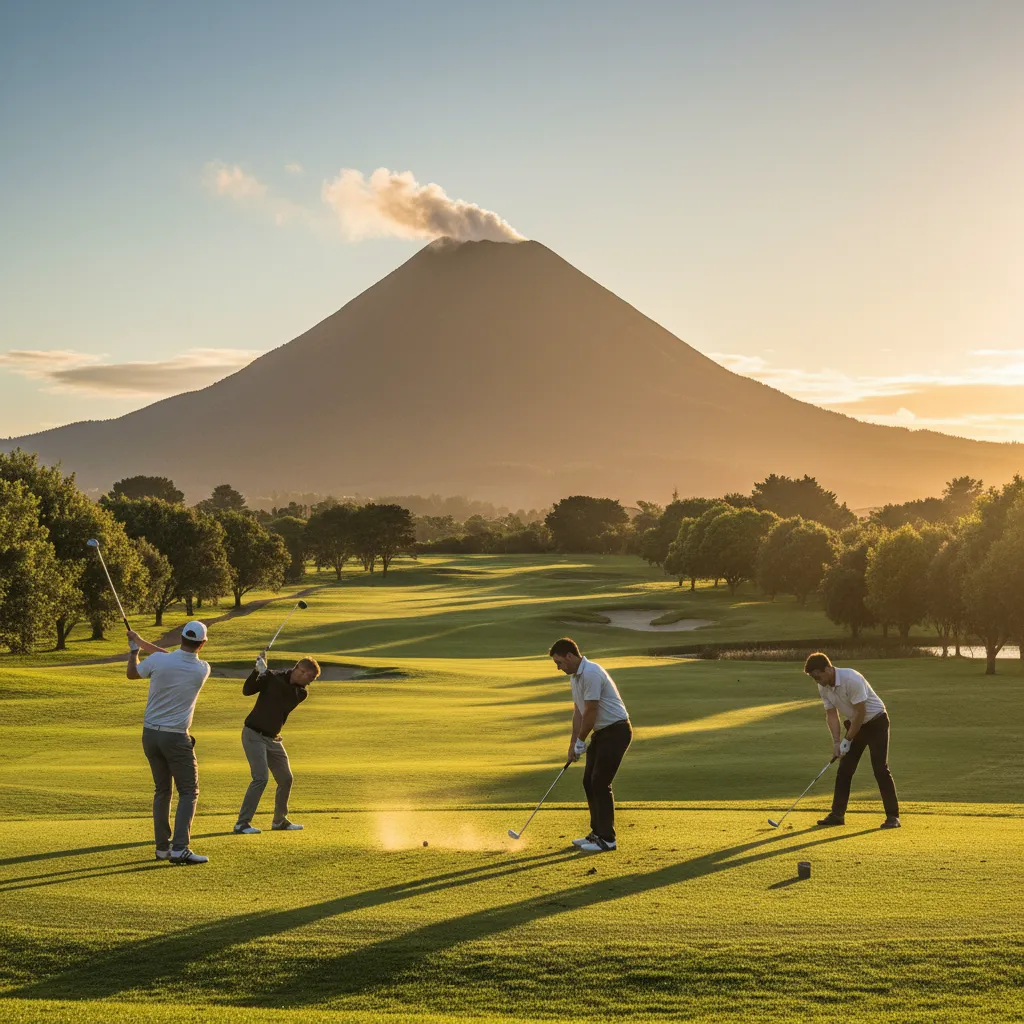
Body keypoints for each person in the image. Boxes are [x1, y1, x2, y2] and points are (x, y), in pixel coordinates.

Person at [127, 621, 212, 865]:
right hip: (175, 737)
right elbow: (177, 659)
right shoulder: (202, 669)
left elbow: (133, 673)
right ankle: (180, 848)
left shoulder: (160, 661)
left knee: (162, 790)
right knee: (188, 791)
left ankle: (163, 849)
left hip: (150, 735)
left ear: (181, 637)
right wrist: (142, 643)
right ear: (203, 643)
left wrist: (136, 649)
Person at [549, 637, 632, 852]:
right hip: (602, 734)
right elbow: (578, 712)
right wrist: (572, 744)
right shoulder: (576, 678)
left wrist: (581, 740)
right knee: (589, 781)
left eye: (560, 662)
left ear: (570, 656)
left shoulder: (592, 673)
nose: (559, 668)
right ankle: (597, 833)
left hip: (616, 730)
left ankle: (608, 839)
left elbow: (592, 710)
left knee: (600, 782)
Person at [804, 652, 901, 829]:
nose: (816, 680)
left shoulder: (851, 678)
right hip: (856, 724)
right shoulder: (823, 686)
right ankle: (837, 815)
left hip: (876, 722)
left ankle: (893, 816)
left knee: (880, 769)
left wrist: (847, 740)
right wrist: (836, 743)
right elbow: (831, 714)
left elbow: (860, 712)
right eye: (813, 677)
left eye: (817, 675)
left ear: (828, 669)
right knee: (845, 769)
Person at [233, 650, 321, 835]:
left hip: (273, 738)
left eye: (311, 679)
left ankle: (279, 821)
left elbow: (283, 693)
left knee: (286, 778)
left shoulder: (300, 692)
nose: (309, 681)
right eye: (308, 676)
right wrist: (257, 672)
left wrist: (266, 674)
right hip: (253, 734)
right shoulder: (272, 676)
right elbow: (247, 691)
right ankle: (242, 824)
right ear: (298, 669)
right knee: (260, 778)